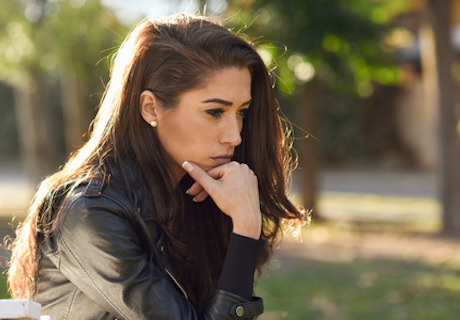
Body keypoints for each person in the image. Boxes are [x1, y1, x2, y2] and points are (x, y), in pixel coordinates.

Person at [7, 13, 306, 319]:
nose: (235, 135)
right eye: (215, 111)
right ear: (151, 108)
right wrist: (246, 228)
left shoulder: (194, 197)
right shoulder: (91, 213)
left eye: (242, 111)